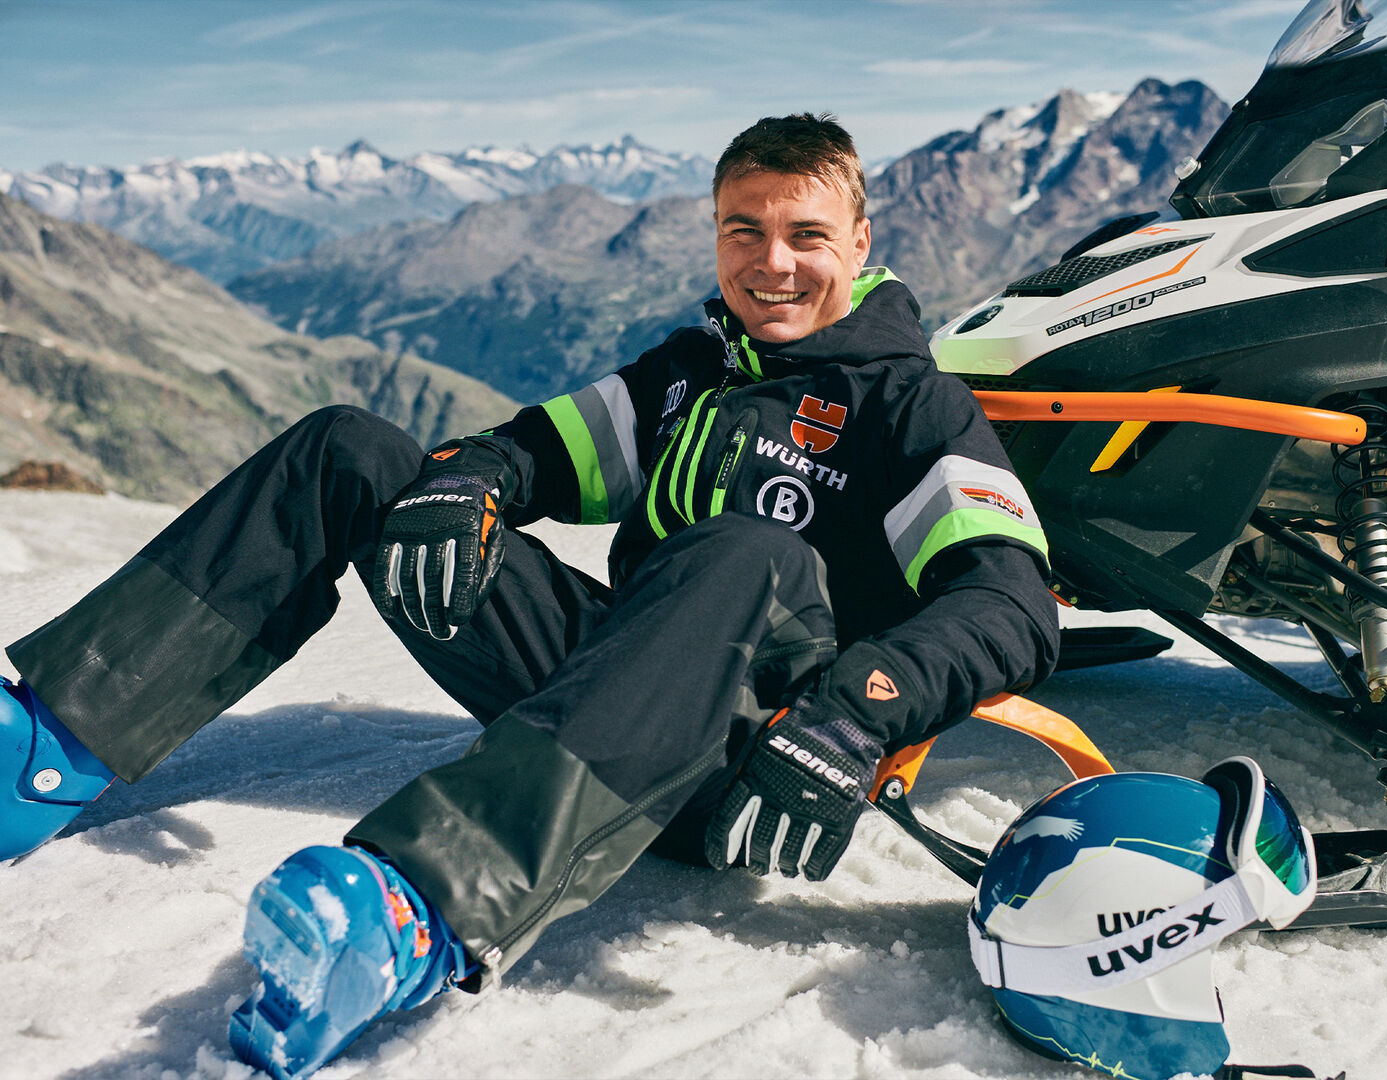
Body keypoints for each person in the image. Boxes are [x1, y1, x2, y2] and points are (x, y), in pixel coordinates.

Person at [1, 113, 1059, 1079]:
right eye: (744, 230)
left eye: (807, 235)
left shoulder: (911, 409)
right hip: (597, 698)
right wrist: (477, 476)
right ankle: (46, 745)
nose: (772, 262)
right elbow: (543, 449)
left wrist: (858, 711)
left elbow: (1014, 604)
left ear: (861, 244)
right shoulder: (695, 370)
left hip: (751, 763)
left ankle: (414, 918)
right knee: (347, 450)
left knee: (747, 553)